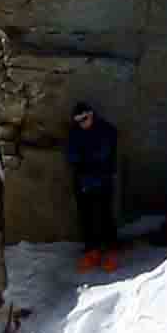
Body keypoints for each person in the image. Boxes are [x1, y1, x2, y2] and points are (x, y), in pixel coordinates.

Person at [66, 100, 120, 271]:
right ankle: (91, 250)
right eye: (79, 120)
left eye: (85, 118)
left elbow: (103, 153)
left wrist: (86, 159)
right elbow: (71, 155)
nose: (83, 123)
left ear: (92, 115)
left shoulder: (105, 130)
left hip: (102, 180)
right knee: (86, 217)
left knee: (105, 215)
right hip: (83, 182)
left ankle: (111, 251)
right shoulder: (75, 133)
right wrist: (85, 160)